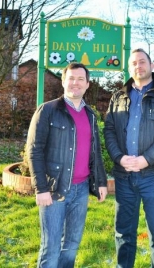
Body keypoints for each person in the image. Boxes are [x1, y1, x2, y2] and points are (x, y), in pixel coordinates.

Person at [104, 48, 154, 267]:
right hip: (124, 176)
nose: (138, 66)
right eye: (134, 63)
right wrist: (119, 158)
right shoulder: (118, 97)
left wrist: (147, 159)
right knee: (123, 234)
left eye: (142, 62)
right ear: (130, 68)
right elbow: (109, 130)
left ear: (152, 65)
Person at [26, 62, 108, 268]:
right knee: (51, 249)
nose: (75, 83)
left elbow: (95, 152)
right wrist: (41, 188)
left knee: (71, 245)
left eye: (81, 79)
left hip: (80, 191)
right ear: (63, 81)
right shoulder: (47, 110)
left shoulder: (90, 114)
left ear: (88, 84)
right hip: (54, 190)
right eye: (71, 78)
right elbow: (34, 150)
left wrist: (101, 182)